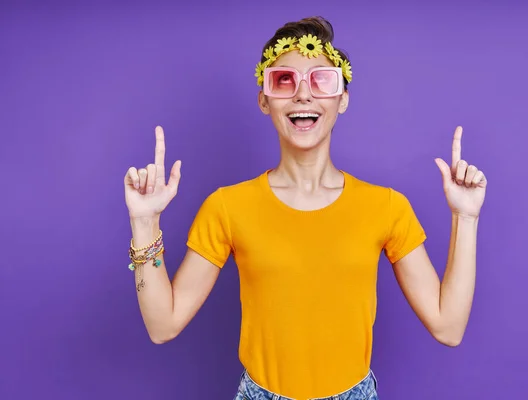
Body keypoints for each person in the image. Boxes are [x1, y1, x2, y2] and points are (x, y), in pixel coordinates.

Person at [123, 16, 487, 400]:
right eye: (284, 80)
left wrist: (466, 216)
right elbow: (163, 325)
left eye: (321, 80)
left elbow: (449, 326)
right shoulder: (227, 207)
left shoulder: (387, 207)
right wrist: (144, 222)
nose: (302, 94)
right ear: (264, 100)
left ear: (342, 98)